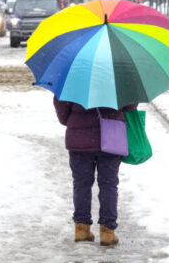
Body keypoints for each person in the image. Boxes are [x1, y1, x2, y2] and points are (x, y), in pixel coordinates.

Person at [54, 97, 137, 246]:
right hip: (111, 137)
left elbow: (62, 114)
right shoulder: (118, 77)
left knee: (81, 185)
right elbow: (130, 106)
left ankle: (81, 229)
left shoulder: (72, 77)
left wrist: (78, 121)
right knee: (109, 185)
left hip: (79, 140)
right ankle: (107, 232)